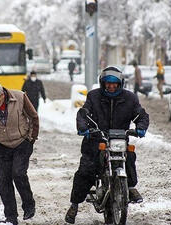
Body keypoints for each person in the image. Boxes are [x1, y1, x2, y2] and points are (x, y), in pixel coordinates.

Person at [65, 66, 149, 224]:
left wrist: (141, 128)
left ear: (120, 83)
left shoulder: (130, 98)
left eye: (114, 83)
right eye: (108, 83)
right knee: (86, 170)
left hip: (119, 140)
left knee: (129, 156)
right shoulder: (94, 96)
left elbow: (140, 114)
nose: (111, 86)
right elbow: (84, 113)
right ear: (102, 83)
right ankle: (74, 205)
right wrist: (84, 127)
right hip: (96, 141)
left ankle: (129, 187)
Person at [0, 81, 38, 225]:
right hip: (1, 146)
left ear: (2, 95)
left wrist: (31, 138)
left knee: (18, 174)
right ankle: (11, 217)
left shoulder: (19, 97)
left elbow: (33, 116)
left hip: (21, 143)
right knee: (4, 181)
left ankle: (29, 205)